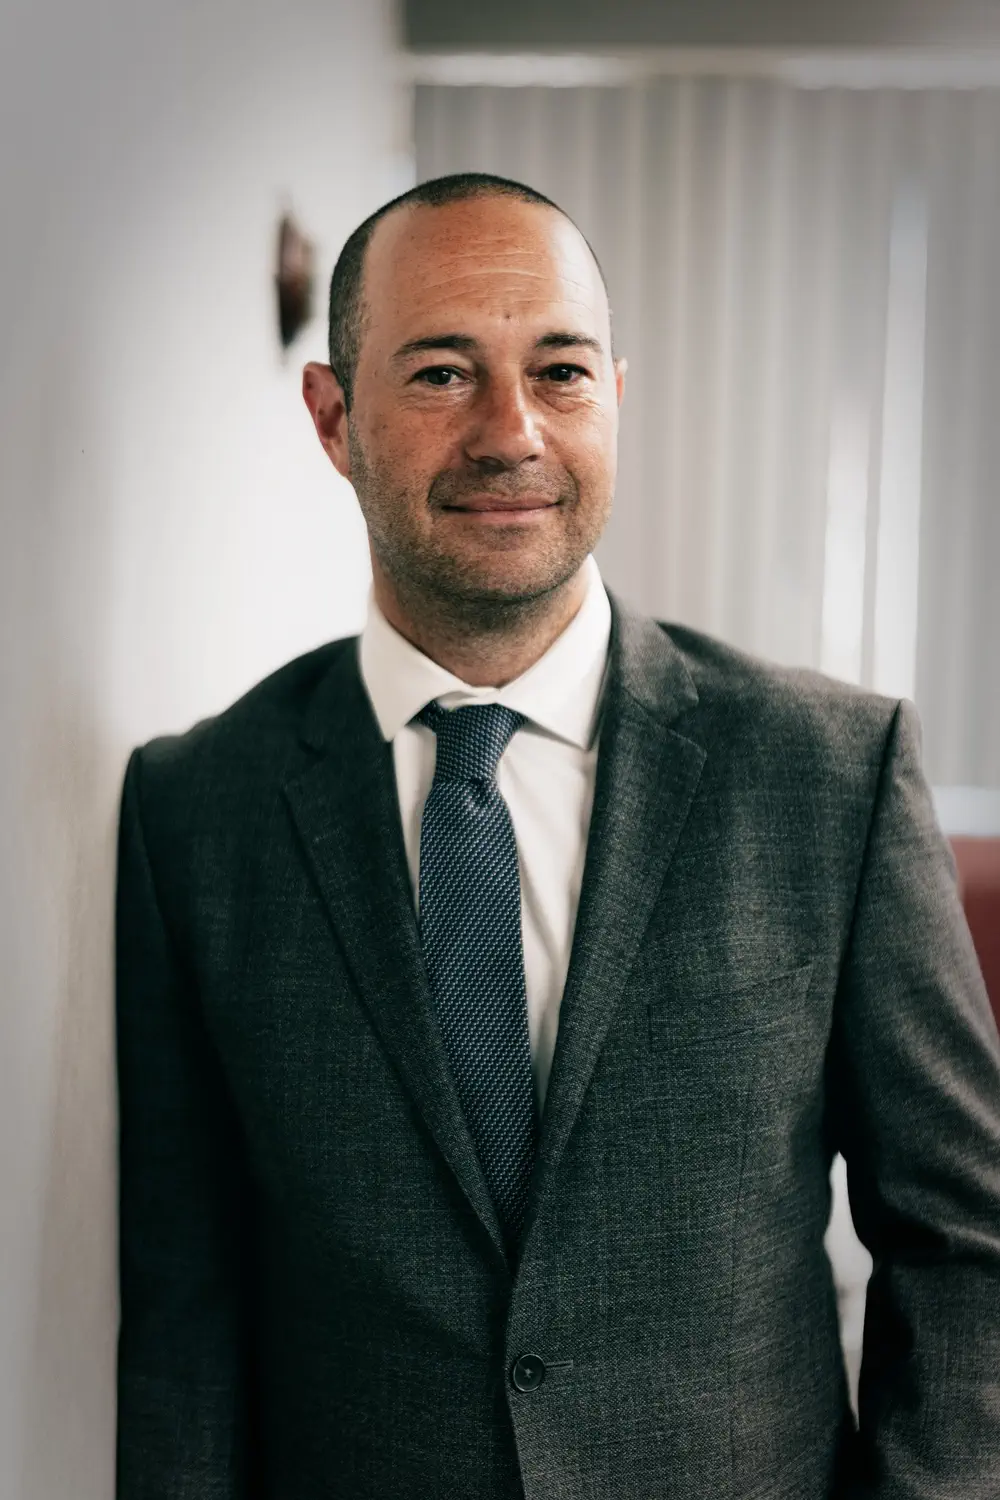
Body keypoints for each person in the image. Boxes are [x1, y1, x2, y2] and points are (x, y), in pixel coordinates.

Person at [114, 172, 1000, 1499]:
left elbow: (962, 1246)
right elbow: (186, 1309)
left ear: (616, 400)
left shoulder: (829, 774)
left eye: (562, 371)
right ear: (333, 417)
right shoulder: (198, 811)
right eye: (439, 374)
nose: (511, 430)